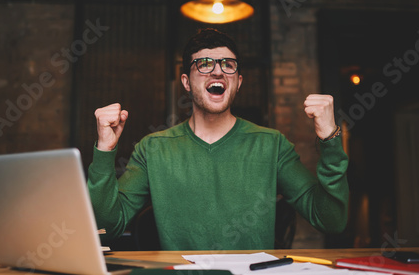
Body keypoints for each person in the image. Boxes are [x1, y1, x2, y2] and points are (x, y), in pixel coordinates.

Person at [87, 28, 349, 250]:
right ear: (186, 82)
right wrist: (104, 151)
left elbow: (331, 221)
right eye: (204, 64)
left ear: (238, 82)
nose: (217, 72)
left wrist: (330, 139)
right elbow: (107, 229)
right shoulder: (153, 149)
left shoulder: (271, 145)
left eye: (228, 64)